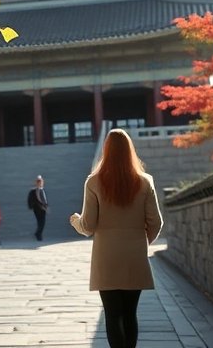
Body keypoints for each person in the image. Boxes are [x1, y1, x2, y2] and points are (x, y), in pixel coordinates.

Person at [69, 128, 163, 348]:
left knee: (112, 315)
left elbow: (88, 226)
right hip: (134, 256)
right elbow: (156, 222)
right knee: (130, 313)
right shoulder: (145, 181)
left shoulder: (94, 182)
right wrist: (140, 243)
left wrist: (75, 220)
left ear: (106, 151)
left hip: (106, 257)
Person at [27, 175, 48, 240]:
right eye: (39, 181)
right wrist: (31, 206)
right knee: (41, 222)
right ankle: (38, 234)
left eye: (41, 181)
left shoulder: (40, 190)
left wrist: (46, 206)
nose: (40, 183)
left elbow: (44, 199)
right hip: (38, 209)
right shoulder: (34, 191)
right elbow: (30, 199)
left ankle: (38, 234)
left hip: (41, 209)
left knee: (41, 223)